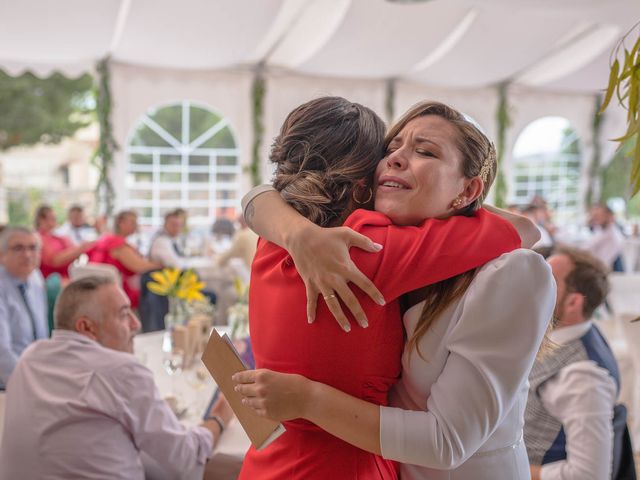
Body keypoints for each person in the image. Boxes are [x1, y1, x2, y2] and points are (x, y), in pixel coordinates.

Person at [234, 99, 556, 480]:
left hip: (275, 461)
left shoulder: (275, 243)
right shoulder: (366, 245)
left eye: (424, 151)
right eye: (388, 151)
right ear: (363, 179)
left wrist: (291, 226)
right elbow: (525, 229)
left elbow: (255, 198)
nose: (396, 160)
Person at [0, 275, 233, 480]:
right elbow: (184, 457)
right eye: (124, 315)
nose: (136, 323)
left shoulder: (29, 358)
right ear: (86, 327)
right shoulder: (121, 370)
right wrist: (218, 420)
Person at [525, 247, 622, 480]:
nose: (532, 286)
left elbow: (589, 476)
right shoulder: (576, 330)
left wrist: (514, 471)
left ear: (573, 303)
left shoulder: (582, 378)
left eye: (547, 280)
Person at [0, 227, 48, 389]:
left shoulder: (35, 277)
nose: (27, 255)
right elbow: (2, 353)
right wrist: (31, 387)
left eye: (33, 248)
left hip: (35, 372)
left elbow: (42, 333)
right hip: (8, 383)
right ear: (2, 255)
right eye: (18, 248)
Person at [87, 210, 161, 309]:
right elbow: (139, 266)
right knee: (157, 285)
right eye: (133, 222)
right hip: (117, 292)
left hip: (99, 289)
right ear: (121, 223)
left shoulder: (105, 238)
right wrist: (161, 264)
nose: (136, 226)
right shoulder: (116, 244)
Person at [35, 204, 93, 280]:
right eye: (52, 218)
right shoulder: (39, 237)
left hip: (68, 275)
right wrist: (81, 248)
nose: (55, 220)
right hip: (53, 279)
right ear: (41, 220)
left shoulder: (57, 236)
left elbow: (75, 254)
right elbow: (54, 261)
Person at [586, 204, 625, 271]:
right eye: (594, 215)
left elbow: (588, 249)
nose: (595, 218)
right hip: (600, 267)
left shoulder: (611, 234)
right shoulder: (600, 230)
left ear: (609, 216)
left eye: (599, 215)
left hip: (606, 270)